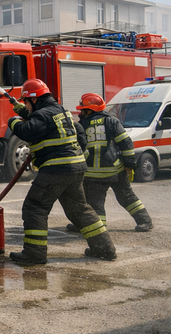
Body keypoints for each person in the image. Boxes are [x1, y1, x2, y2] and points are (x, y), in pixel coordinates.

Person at [7, 79, 117, 264]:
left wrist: (14, 121)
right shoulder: (61, 111)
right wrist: (26, 113)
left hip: (55, 169)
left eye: (26, 101)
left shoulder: (42, 115)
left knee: (35, 207)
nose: (24, 104)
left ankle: (34, 253)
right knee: (79, 210)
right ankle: (104, 248)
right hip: (76, 168)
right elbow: (75, 134)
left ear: (34, 100)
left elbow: (27, 131)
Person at [71, 93, 152, 232]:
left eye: (83, 109)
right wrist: (129, 165)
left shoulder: (82, 125)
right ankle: (145, 221)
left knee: (95, 203)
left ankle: (98, 229)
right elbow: (126, 143)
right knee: (126, 197)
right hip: (115, 170)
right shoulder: (112, 122)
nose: (81, 112)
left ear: (89, 110)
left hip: (93, 173)